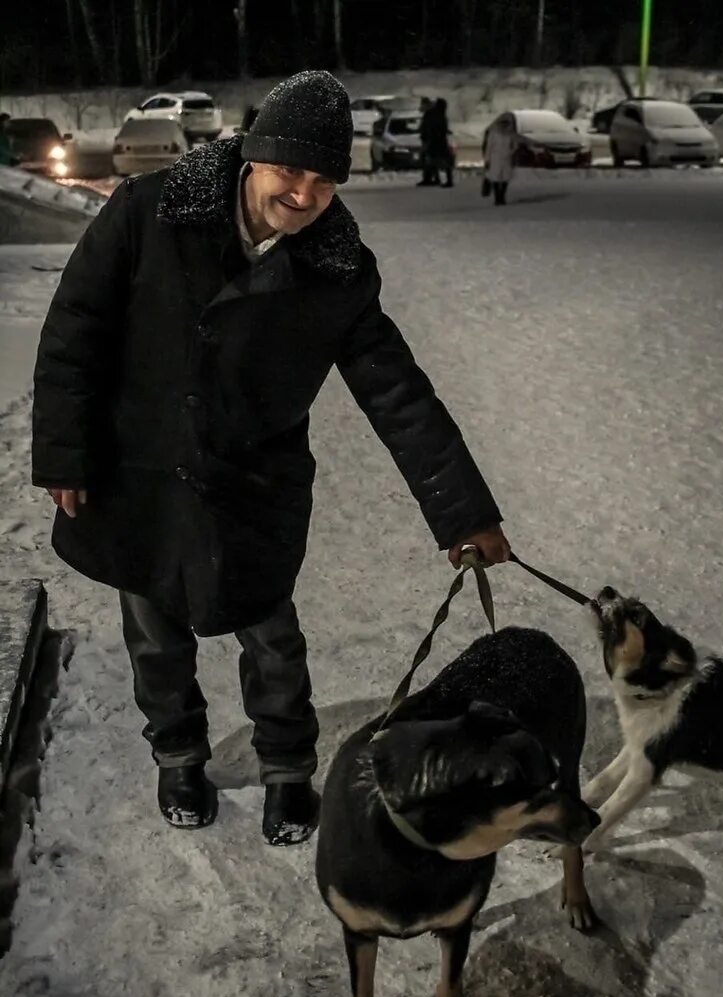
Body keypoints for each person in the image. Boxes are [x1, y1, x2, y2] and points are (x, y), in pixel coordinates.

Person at [31, 71, 510, 847]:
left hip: (253, 485)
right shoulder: (146, 214)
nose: (304, 194)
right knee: (155, 633)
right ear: (253, 157)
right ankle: (179, 754)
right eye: (290, 170)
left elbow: (397, 393)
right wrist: (64, 454)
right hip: (141, 469)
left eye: (324, 180)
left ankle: (287, 768)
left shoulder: (338, 270)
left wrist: (465, 512)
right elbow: (73, 332)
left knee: (273, 640)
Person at [484, 115, 517, 206]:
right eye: (502, 124)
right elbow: (489, 147)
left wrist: (510, 153)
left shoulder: (510, 133)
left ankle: (502, 196)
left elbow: (515, 146)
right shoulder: (493, 133)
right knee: (496, 178)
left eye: (505, 124)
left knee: (505, 178)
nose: (504, 126)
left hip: (506, 158)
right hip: (496, 158)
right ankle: (497, 198)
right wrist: (487, 159)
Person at [425, 98, 455, 188]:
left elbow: (434, 128)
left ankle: (439, 179)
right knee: (443, 161)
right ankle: (446, 180)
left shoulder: (436, 116)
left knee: (435, 160)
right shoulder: (441, 116)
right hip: (441, 141)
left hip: (436, 141)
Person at [416, 96, 439, 186]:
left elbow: (429, 128)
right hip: (428, 140)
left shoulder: (430, 114)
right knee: (428, 160)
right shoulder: (430, 114)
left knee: (428, 160)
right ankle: (430, 178)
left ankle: (430, 178)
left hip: (429, 141)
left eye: (423, 104)